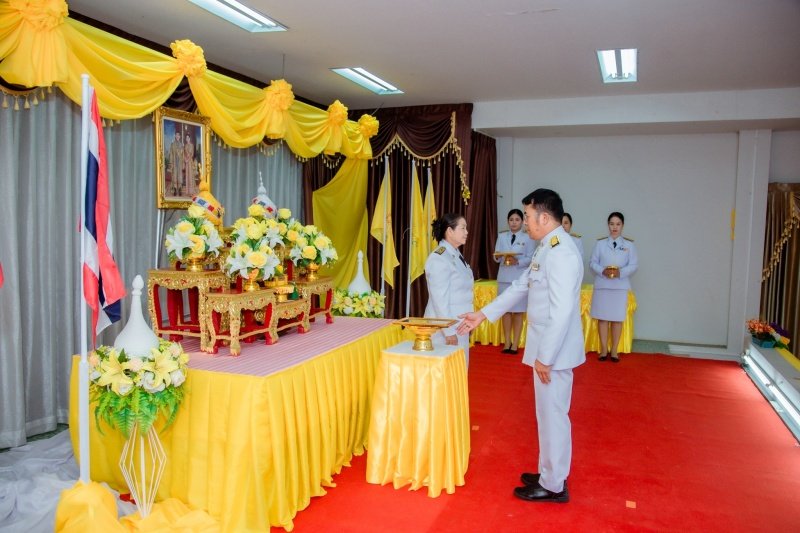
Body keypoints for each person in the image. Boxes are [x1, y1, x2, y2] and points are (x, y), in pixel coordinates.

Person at [457, 189, 583, 503]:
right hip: (548, 350)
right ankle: (549, 472)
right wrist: (482, 315)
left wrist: (546, 357)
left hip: (554, 354)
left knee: (553, 415)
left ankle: (554, 485)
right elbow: (520, 286)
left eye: (527, 216)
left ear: (544, 217)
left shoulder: (562, 252)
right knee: (547, 415)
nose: (525, 222)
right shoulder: (547, 248)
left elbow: (562, 311)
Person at [424, 213, 474, 367]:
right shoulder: (439, 258)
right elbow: (439, 299)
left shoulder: (454, 253)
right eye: (462, 228)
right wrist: (449, 331)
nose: (466, 232)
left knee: (459, 370)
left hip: (459, 324)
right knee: (446, 371)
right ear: (450, 231)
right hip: (445, 328)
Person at [589, 211, 638, 363]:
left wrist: (620, 272)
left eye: (618, 224)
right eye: (611, 224)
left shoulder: (629, 245)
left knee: (617, 319)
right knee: (603, 319)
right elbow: (592, 263)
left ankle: (615, 350)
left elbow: (634, 265)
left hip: (620, 287)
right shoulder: (600, 244)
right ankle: (604, 350)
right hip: (603, 285)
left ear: (622, 225)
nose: (614, 227)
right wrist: (602, 270)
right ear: (608, 225)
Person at [494, 208, 536, 354]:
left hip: (520, 279)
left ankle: (515, 343)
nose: (514, 222)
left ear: (522, 222)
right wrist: (499, 257)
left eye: (517, 220)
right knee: (505, 311)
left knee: (518, 312)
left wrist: (517, 261)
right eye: (511, 220)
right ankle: (507, 342)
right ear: (508, 221)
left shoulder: (528, 237)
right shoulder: (501, 236)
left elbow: (531, 258)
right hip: (504, 278)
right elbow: (496, 256)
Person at [167, 129, 184, 195]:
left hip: (179, 162)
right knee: (174, 175)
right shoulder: (172, 144)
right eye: (176, 135)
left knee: (179, 175)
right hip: (174, 162)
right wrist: (171, 163)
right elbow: (171, 154)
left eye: (178, 135)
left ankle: (179, 189)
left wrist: (182, 163)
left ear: (180, 136)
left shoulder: (181, 145)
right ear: (175, 136)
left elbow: (182, 155)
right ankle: (174, 189)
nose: (177, 136)